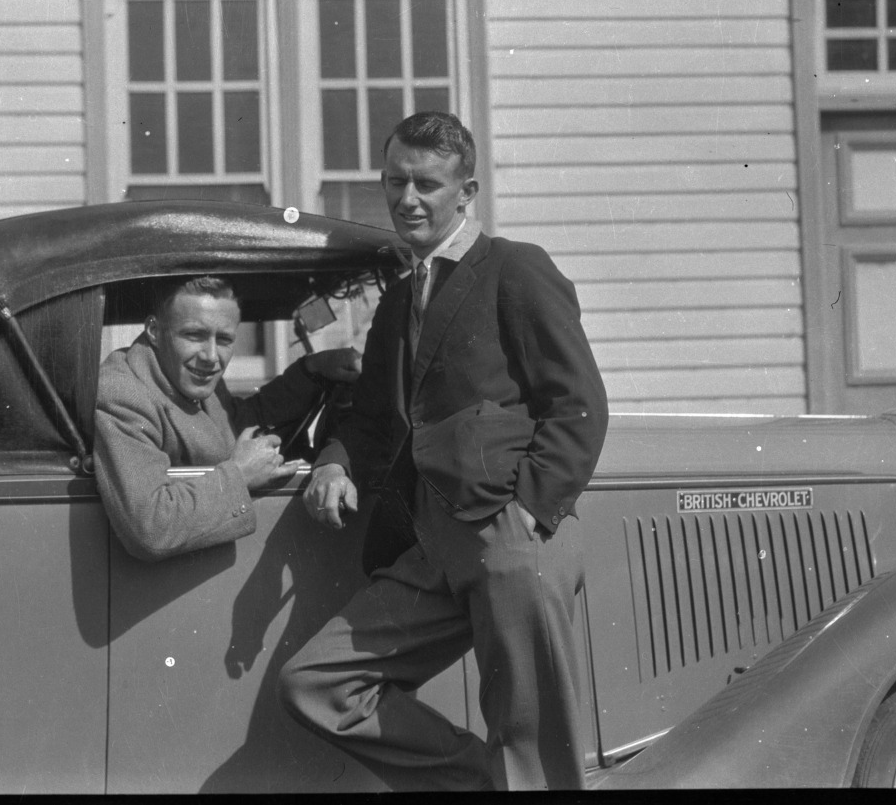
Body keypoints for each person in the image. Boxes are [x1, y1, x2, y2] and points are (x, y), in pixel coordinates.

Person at [278, 111, 608, 792]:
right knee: (317, 682)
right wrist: (335, 459)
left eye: (426, 183)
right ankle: (482, 783)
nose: (407, 198)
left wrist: (530, 514)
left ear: (467, 191)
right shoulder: (399, 299)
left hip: (512, 535)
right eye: (395, 181)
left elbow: (577, 402)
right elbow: (374, 422)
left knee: (533, 741)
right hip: (432, 547)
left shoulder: (514, 269)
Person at [92, 275, 360, 563]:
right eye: (194, 335)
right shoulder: (122, 394)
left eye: (224, 339)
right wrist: (240, 475)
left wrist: (312, 370)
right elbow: (150, 527)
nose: (211, 356)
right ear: (154, 331)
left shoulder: (186, 374)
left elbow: (234, 424)